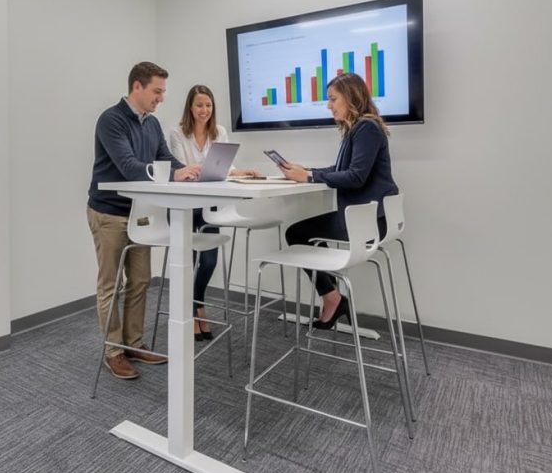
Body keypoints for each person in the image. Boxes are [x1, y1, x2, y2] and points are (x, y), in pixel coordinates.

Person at [88, 62, 201, 380]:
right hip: (109, 212)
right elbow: (128, 166)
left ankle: (133, 344)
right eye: (157, 91)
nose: (161, 98)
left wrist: (188, 171)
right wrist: (174, 174)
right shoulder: (111, 120)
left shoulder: (152, 123)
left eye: (163, 92)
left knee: (140, 281)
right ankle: (114, 351)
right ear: (137, 86)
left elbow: (166, 159)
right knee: (111, 284)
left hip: (140, 213)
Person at [279, 72, 399, 330]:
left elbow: (355, 177)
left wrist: (309, 176)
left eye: (333, 99)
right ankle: (333, 297)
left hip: (368, 223)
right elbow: (342, 169)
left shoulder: (366, 128)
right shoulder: (358, 129)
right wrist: (307, 171)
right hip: (367, 218)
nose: (328, 105)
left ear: (351, 97)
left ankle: (332, 298)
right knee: (302, 234)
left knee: (297, 234)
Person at [167, 85, 260, 341]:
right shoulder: (177, 133)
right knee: (187, 261)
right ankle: (193, 312)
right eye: (199, 105)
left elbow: (223, 166)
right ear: (190, 107)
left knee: (209, 261)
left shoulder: (219, 131)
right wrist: (201, 170)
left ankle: (196, 305)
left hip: (209, 205)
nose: (204, 110)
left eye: (208, 105)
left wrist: (240, 171)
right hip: (184, 206)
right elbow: (182, 169)